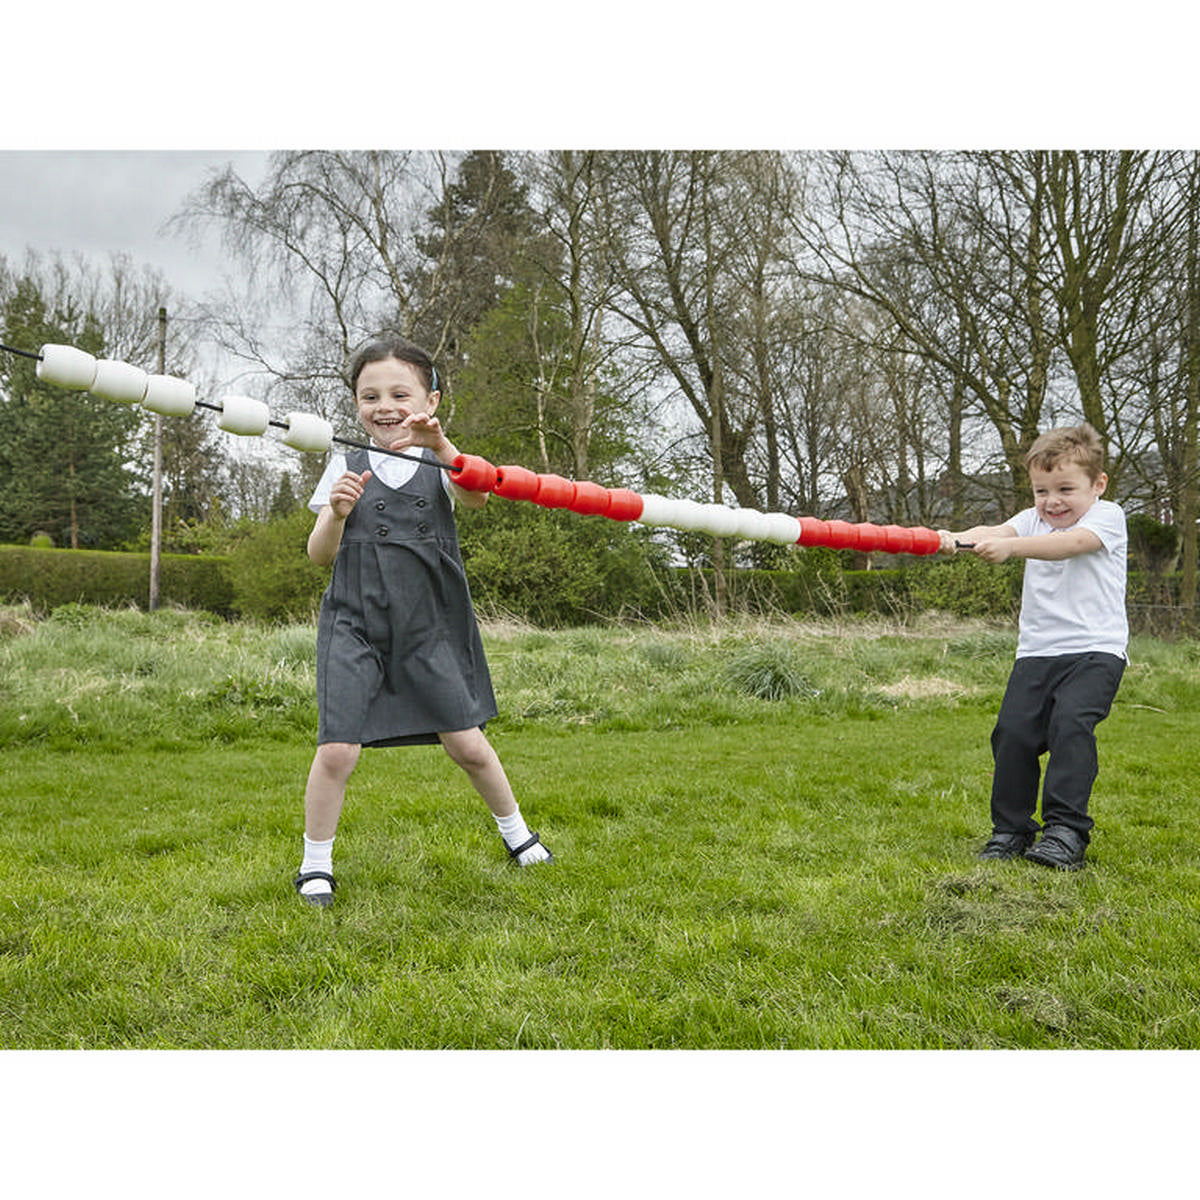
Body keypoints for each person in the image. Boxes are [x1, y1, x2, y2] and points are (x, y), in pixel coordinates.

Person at [294, 334, 553, 907]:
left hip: (428, 627)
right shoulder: (343, 462)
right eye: (369, 396)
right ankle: (315, 865)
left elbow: (478, 498)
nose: (384, 407)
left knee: (468, 745)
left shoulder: (443, 461)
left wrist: (441, 446)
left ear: (431, 402)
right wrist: (336, 514)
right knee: (337, 750)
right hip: (355, 623)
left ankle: (519, 837)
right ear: (356, 405)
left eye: (399, 394)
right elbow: (318, 556)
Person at [938, 422, 1128, 871]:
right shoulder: (1031, 520)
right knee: (1013, 735)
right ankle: (1011, 830)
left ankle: (1065, 832)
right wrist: (953, 540)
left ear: (1097, 484)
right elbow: (997, 530)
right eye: (1042, 491)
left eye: (1065, 488)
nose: (1052, 501)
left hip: (1095, 651)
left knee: (1070, 725)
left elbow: (1069, 545)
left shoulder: (1106, 516)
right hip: (1037, 653)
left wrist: (1013, 549)